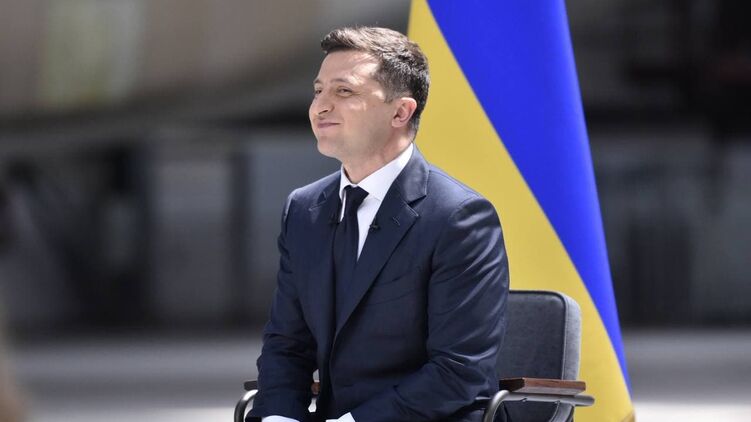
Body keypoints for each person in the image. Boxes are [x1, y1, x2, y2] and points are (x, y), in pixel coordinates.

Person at [249, 26, 509, 422]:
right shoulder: (304, 210)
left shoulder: (459, 217)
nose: (319, 107)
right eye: (318, 91)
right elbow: (286, 346)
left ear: (401, 112)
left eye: (344, 91)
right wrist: (278, 418)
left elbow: (458, 372)